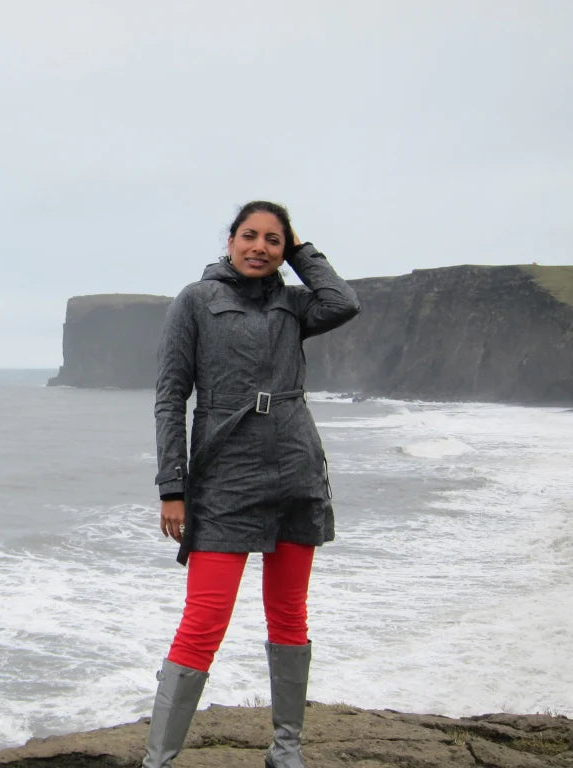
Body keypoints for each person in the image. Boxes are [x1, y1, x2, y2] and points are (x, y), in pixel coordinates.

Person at [144, 201, 360, 768]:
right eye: (250, 236)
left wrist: (302, 251)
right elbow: (171, 397)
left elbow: (344, 302)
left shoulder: (295, 303)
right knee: (203, 620)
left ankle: (286, 749)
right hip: (225, 479)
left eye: (273, 240)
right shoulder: (195, 300)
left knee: (289, 612)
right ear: (231, 239)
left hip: (295, 470)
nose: (259, 247)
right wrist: (173, 486)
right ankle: (157, 761)